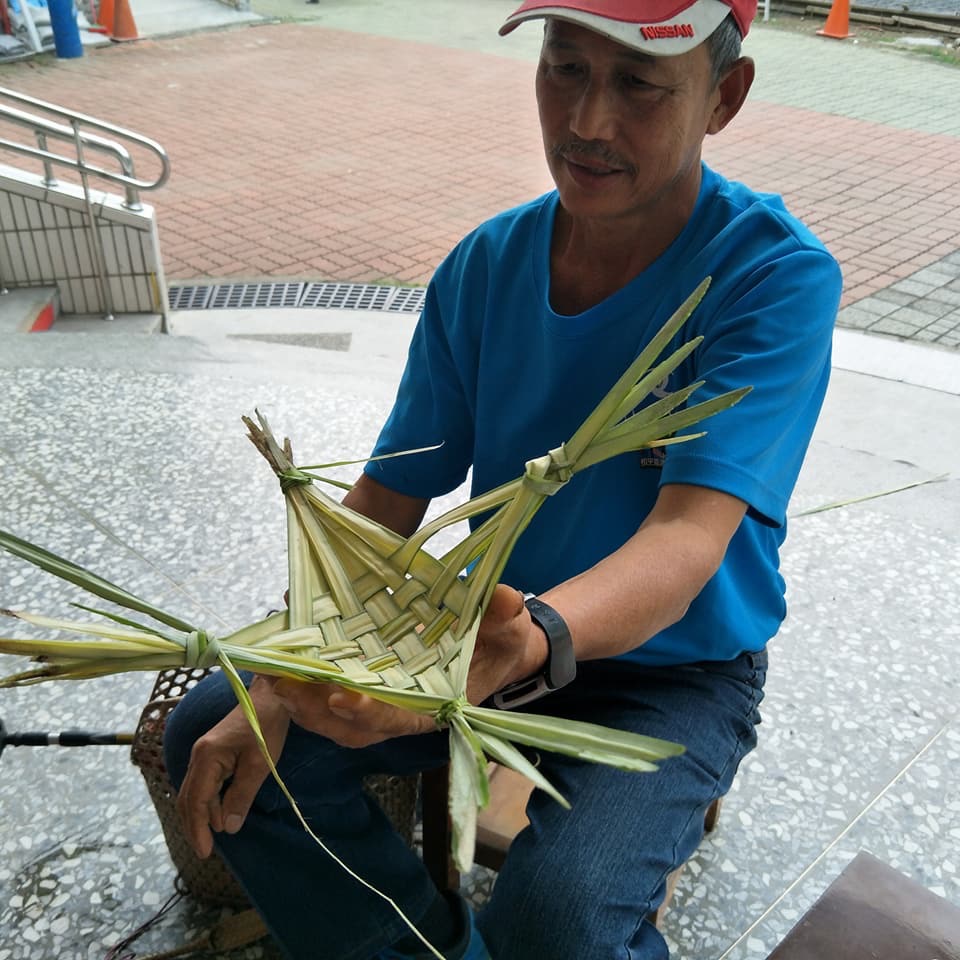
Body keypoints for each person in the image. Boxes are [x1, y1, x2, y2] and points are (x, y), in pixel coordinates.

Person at [164, 0, 842, 957]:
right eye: (565, 68)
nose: (588, 122)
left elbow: (687, 537)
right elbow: (388, 498)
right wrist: (288, 670)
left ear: (724, 97)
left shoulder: (769, 277)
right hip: (484, 636)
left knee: (560, 917)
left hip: (671, 671)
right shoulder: (487, 265)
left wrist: (536, 637)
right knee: (217, 731)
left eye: (639, 84)